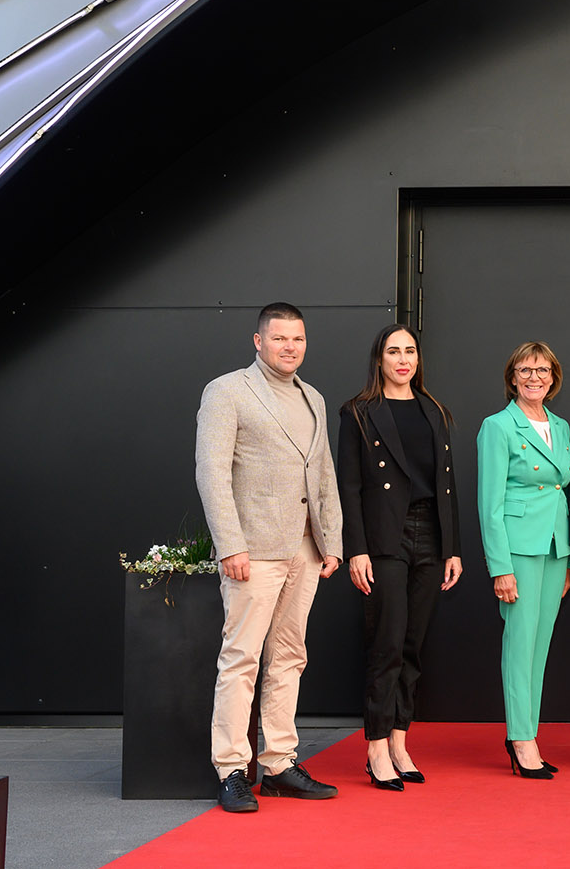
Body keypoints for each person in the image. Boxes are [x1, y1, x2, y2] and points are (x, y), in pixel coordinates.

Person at [195, 302, 343, 813]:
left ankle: (279, 763)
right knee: (241, 658)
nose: (289, 347)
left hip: (305, 548)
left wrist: (331, 542)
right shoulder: (227, 391)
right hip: (252, 550)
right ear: (258, 341)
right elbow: (212, 473)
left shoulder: (313, 398)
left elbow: (323, 474)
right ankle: (231, 769)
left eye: (297, 339)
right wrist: (230, 544)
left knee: (290, 656)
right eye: (279, 338)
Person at [337, 324, 463, 791]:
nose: (403, 359)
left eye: (410, 350)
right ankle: (375, 746)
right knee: (387, 642)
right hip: (384, 536)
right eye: (394, 351)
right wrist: (357, 549)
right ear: (379, 359)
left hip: (430, 534)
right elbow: (349, 486)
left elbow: (447, 485)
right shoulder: (358, 412)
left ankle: (399, 741)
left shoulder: (435, 410)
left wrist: (452, 548)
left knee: (413, 644)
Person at [477, 342, 570, 779]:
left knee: (540, 647)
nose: (535, 378)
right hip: (518, 549)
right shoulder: (498, 426)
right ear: (512, 377)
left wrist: (567, 560)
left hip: (555, 548)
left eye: (543, 370)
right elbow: (489, 504)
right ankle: (520, 739)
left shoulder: (560, 426)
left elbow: (561, 491)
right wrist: (500, 567)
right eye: (525, 370)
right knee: (519, 646)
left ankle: (528, 732)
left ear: (553, 378)